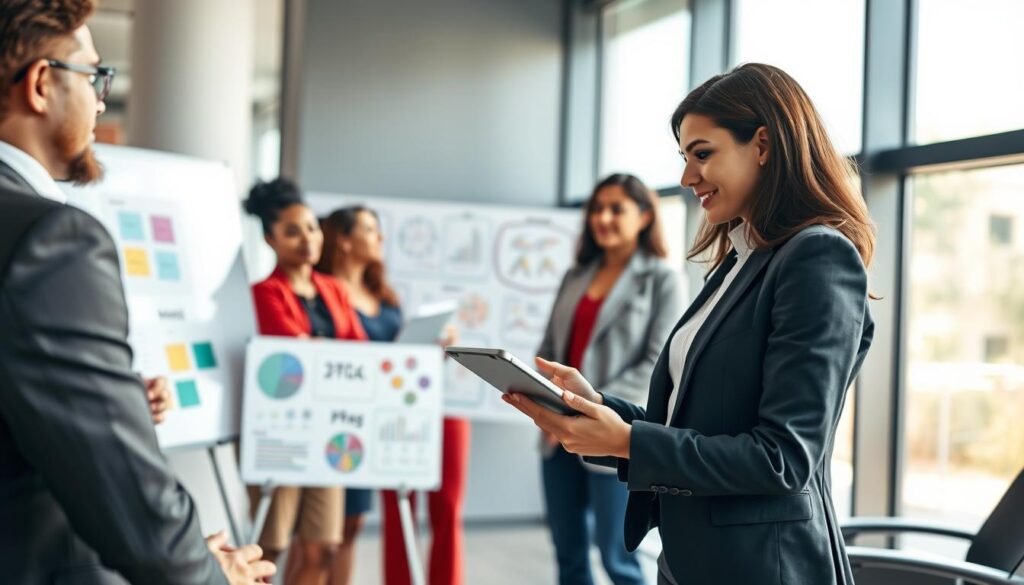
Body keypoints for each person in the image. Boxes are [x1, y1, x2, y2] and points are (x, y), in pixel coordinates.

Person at [505, 63, 876, 585]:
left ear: (764, 145)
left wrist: (628, 442)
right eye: (684, 158)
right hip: (691, 554)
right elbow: (699, 420)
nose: (686, 178)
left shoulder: (817, 258)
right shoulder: (738, 261)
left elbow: (783, 459)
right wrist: (602, 408)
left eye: (703, 154)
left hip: (761, 566)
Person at [0, 1, 274, 583]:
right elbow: (130, 509)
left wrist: (111, 399)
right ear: (43, 84)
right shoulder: (52, 239)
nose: (101, 99)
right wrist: (209, 573)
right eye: (93, 75)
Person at [535, 173, 682, 585]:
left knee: (617, 556)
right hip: (557, 430)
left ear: (645, 216)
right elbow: (550, 347)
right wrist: (549, 406)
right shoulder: (575, 276)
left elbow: (657, 360)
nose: (603, 217)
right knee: (567, 552)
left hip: (614, 432)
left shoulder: (661, 279)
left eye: (616, 208)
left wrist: (590, 408)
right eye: (597, 209)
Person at [318, 205, 468, 585]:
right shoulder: (323, 293)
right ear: (344, 238)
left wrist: (434, 345)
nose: (380, 238)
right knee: (328, 536)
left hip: (386, 414)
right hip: (343, 419)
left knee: (351, 526)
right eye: (371, 229)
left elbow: (400, 361)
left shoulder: (382, 296)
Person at [244, 178, 368, 585]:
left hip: (330, 429)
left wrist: (320, 347)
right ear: (270, 238)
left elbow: (357, 348)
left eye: (312, 227)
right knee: (270, 548)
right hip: (282, 430)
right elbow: (293, 356)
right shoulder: (265, 292)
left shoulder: (333, 289)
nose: (307, 239)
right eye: (292, 231)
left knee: (324, 547)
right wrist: (321, 348)